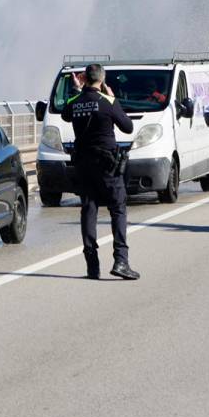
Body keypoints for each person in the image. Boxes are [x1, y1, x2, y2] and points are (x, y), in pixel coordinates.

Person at [62, 63, 139, 281]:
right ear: (102, 80)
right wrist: (113, 98)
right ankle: (121, 261)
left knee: (89, 208)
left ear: (84, 78)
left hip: (83, 163)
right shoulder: (108, 101)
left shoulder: (74, 102)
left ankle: (92, 266)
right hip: (107, 162)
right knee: (118, 208)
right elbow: (128, 127)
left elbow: (67, 114)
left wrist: (77, 90)